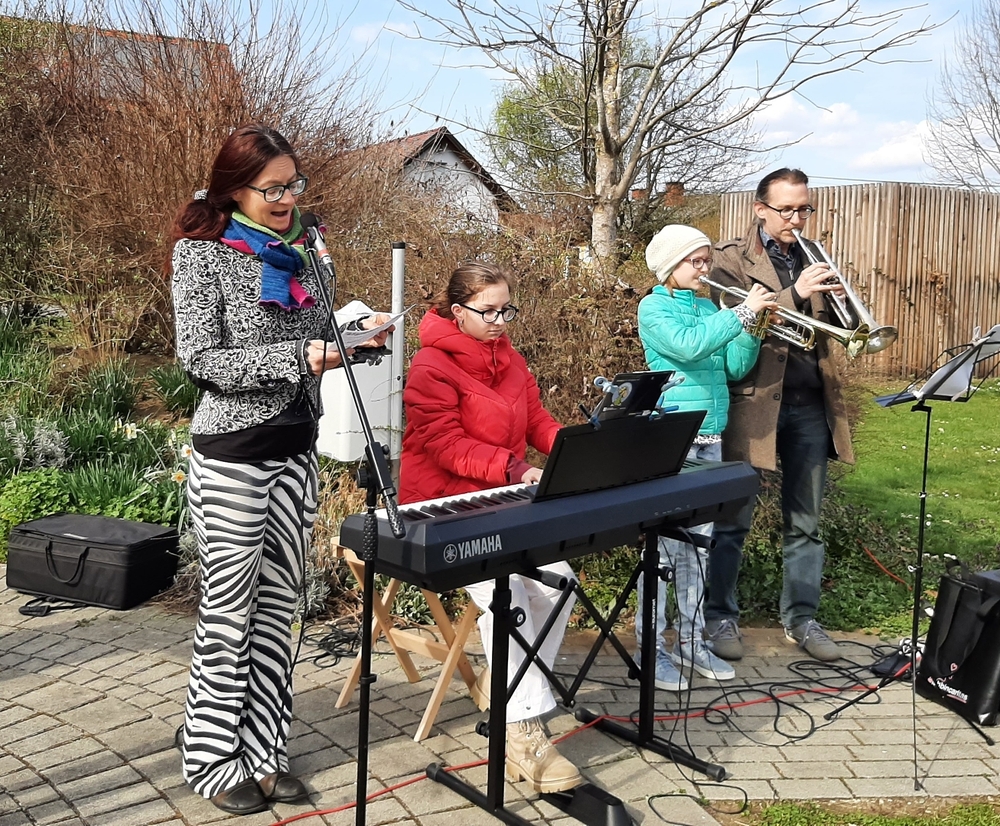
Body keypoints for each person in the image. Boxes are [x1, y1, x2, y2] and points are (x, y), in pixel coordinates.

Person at [170, 124, 390, 815]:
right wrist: (301, 359)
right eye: (272, 189)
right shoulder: (201, 252)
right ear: (235, 189)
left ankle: (264, 752)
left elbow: (317, 335)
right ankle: (211, 758)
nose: (288, 198)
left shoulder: (308, 245)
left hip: (296, 448)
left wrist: (353, 342)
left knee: (276, 609)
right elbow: (201, 361)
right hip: (233, 454)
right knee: (230, 612)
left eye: (294, 184)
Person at [398, 261, 582, 795]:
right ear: (458, 312)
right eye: (489, 311)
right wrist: (515, 469)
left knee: (560, 583)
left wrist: (577, 449)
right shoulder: (430, 365)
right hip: (442, 509)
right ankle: (520, 728)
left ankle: (506, 691)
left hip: (500, 500)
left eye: (507, 310)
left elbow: (537, 421)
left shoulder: (512, 360)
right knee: (512, 594)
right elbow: (443, 444)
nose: (500, 321)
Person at [705, 168, 855, 663]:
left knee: (806, 523)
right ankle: (719, 616)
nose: (796, 218)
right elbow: (733, 319)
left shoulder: (815, 256)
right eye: (786, 209)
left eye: (803, 209)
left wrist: (843, 305)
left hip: (811, 405)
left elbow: (839, 329)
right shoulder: (728, 259)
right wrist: (797, 294)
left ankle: (802, 619)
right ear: (760, 209)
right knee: (732, 521)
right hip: (753, 405)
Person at [637, 225, 777, 691]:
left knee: (698, 548)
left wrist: (753, 328)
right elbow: (689, 346)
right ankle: (651, 648)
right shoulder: (653, 307)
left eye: (706, 260)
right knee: (663, 550)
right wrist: (741, 313)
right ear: (669, 265)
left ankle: (691, 642)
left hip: (711, 437)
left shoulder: (708, 306)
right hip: (671, 439)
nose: (704, 269)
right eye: (694, 261)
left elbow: (734, 367)